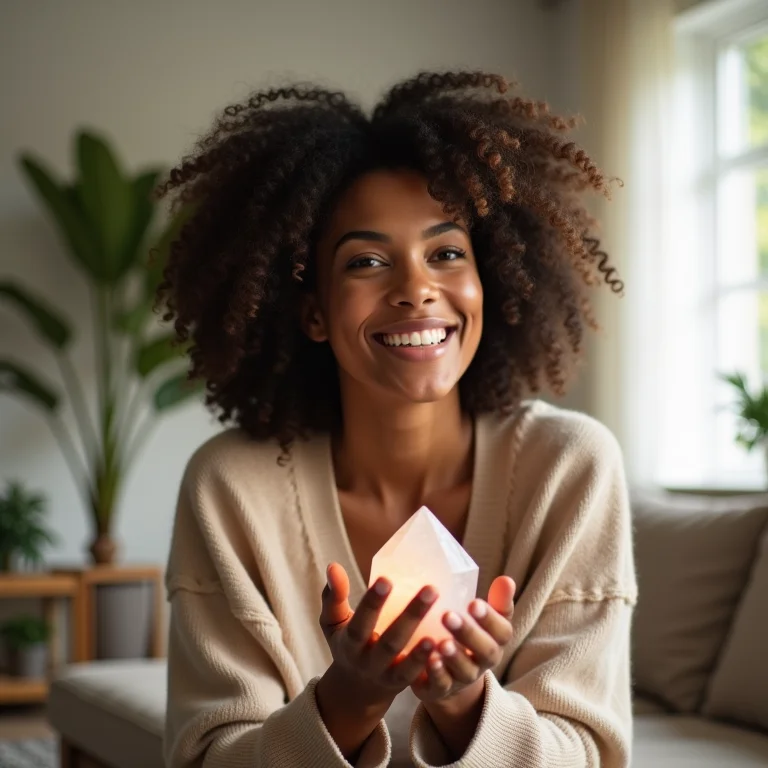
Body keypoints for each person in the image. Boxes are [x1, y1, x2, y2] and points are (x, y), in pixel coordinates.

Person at [156, 70, 637, 768]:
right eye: (367, 262)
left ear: (487, 278)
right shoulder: (233, 487)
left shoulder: (569, 467)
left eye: (446, 252)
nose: (416, 289)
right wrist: (347, 700)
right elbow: (205, 756)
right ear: (313, 311)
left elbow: (591, 752)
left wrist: (464, 702)